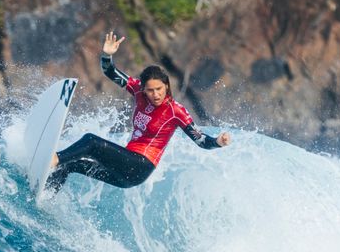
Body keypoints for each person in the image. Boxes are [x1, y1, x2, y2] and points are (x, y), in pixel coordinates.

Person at [47, 31, 231, 191]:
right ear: (143, 89)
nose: (156, 94)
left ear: (166, 86)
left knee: (91, 141)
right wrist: (107, 55)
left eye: (159, 89)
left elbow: (201, 141)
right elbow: (110, 71)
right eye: (150, 90)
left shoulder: (176, 111)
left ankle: (54, 158)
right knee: (70, 165)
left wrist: (217, 141)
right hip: (125, 172)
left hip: (140, 166)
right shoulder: (137, 90)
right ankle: (46, 196)